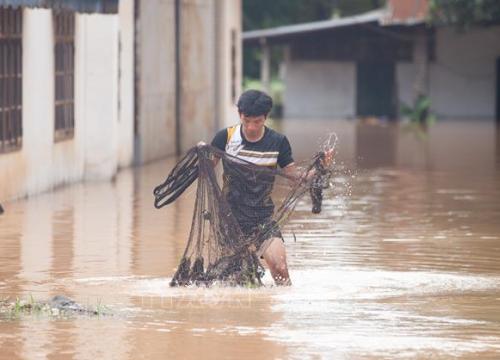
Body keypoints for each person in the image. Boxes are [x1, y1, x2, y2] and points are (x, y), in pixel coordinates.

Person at [210, 89, 332, 286]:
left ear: (266, 118)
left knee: (280, 268)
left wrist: (319, 168)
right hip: (230, 220)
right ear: (240, 115)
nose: (251, 126)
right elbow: (207, 167)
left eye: (257, 121)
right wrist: (201, 153)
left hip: (263, 218)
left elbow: (295, 178)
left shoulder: (278, 142)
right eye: (246, 120)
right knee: (235, 278)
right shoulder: (225, 137)